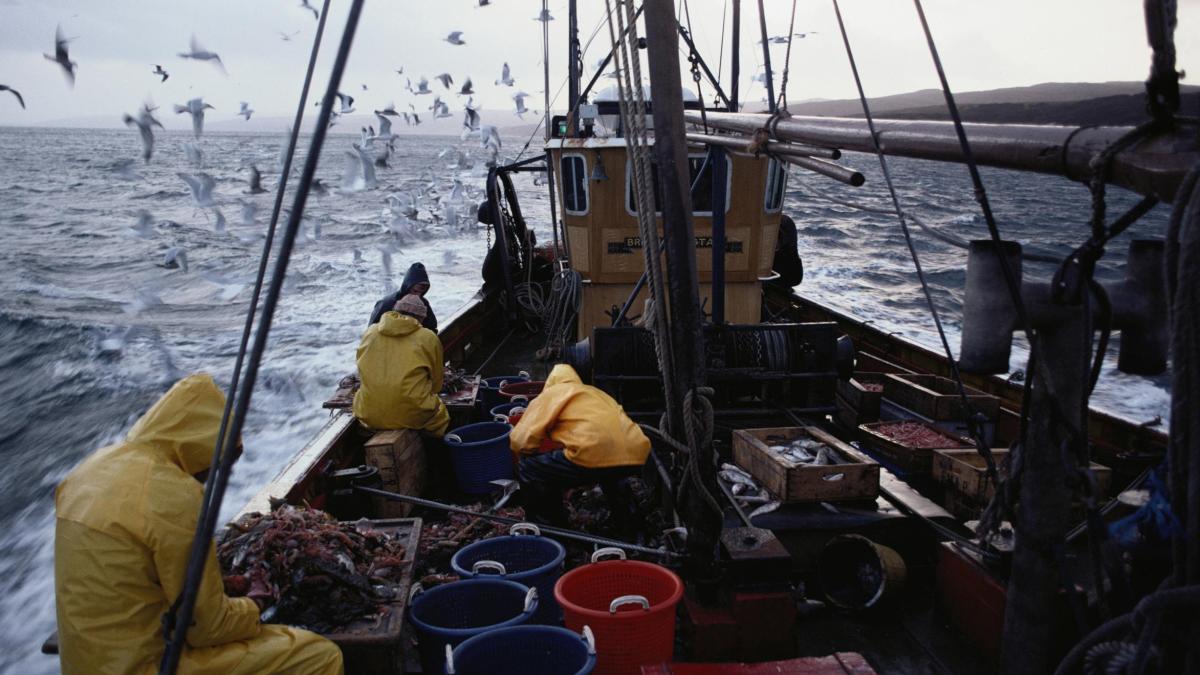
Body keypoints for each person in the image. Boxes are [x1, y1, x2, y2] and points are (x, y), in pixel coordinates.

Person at [54, 374, 343, 675]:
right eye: (218, 463)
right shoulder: (172, 495)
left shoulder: (90, 470)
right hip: (149, 665)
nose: (211, 475)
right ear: (200, 444)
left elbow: (133, 575)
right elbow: (209, 629)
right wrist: (254, 604)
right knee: (318, 655)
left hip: (83, 662)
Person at [509, 364, 650, 526]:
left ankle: (552, 531)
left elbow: (520, 440)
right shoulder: (594, 393)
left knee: (530, 468)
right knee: (611, 468)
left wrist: (530, 454)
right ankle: (630, 525)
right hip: (637, 450)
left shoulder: (552, 394)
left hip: (593, 450)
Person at [353, 294, 449, 435]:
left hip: (369, 414)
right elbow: (436, 383)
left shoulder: (370, 332)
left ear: (395, 311)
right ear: (421, 318)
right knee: (440, 414)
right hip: (414, 416)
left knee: (361, 400)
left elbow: (361, 370)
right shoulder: (428, 337)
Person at [368, 262, 437, 332]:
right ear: (408, 285)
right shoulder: (386, 303)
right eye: (415, 291)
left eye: (422, 293)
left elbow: (432, 328)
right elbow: (371, 330)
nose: (418, 295)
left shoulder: (423, 303)